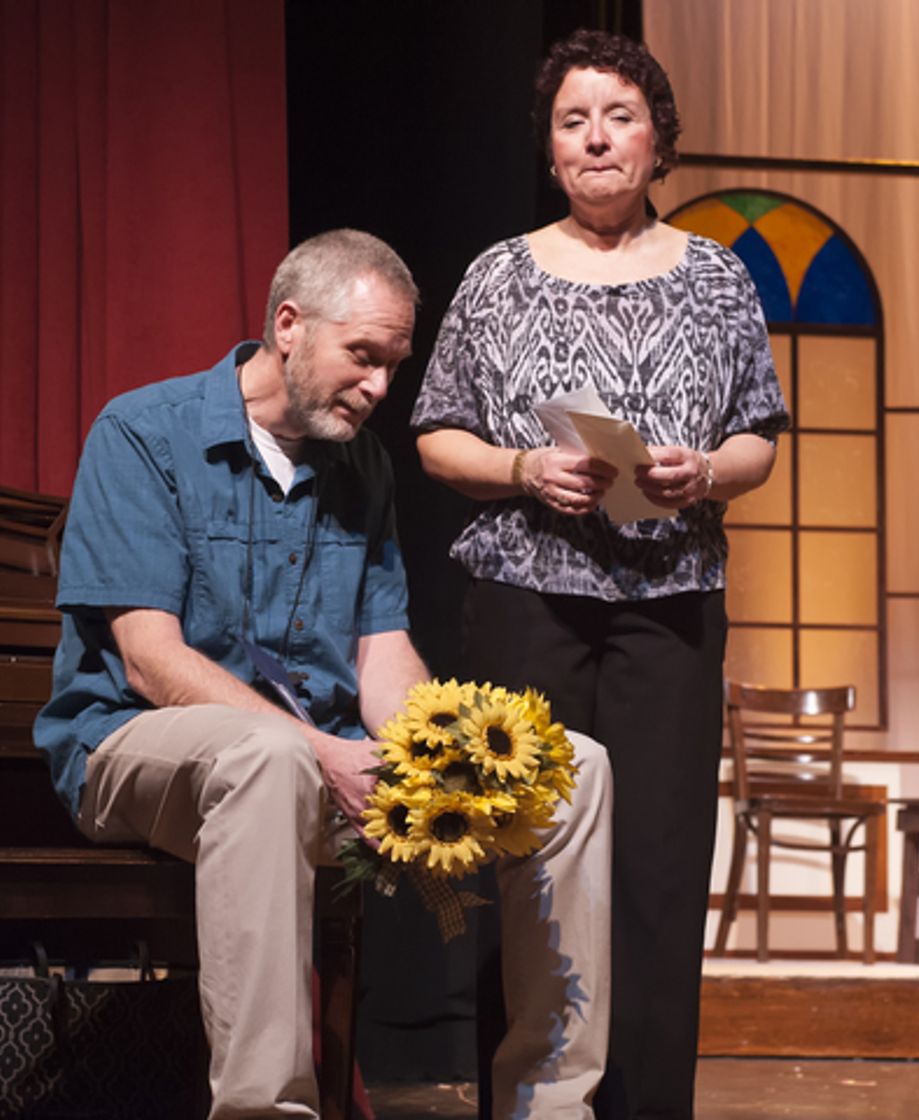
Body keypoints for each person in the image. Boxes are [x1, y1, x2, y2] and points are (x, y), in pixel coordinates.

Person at [34, 228, 614, 1120]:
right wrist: (317, 752)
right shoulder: (145, 434)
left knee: (573, 768)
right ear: (290, 325)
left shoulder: (363, 465)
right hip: (135, 750)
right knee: (266, 758)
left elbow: (379, 654)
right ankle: (266, 1111)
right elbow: (150, 662)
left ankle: (552, 1106)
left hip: (311, 761)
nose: (381, 387)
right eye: (363, 357)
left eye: (393, 364)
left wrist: (436, 757)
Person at [410, 31, 789, 1120]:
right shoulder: (498, 274)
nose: (593, 137)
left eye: (616, 116)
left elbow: (759, 436)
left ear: (657, 140)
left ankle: (643, 1107)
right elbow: (437, 436)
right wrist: (526, 466)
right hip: (525, 600)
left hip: (667, 608)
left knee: (659, 873)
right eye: (571, 121)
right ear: (550, 148)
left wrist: (704, 470)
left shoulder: (715, 276)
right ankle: (526, 1101)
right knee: (523, 859)